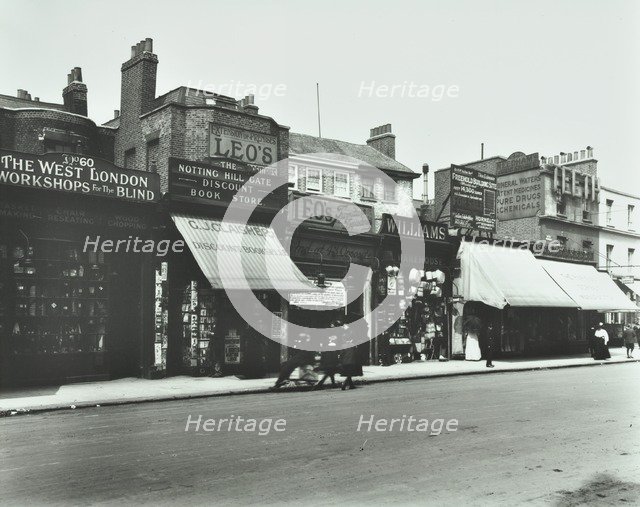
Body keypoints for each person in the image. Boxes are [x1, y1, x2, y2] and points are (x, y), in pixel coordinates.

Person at [313, 321, 341, 389]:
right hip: (330, 355)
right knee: (330, 369)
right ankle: (321, 384)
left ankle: (330, 383)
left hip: (331, 354)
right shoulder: (330, 335)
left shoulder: (334, 334)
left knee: (331, 370)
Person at [339, 323, 363, 390]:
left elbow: (341, 354)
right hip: (351, 360)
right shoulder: (352, 345)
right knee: (349, 373)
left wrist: (340, 360)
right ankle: (344, 385)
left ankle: (351, 385)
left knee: (349, 373)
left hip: (345, 361)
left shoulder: (343, 344)